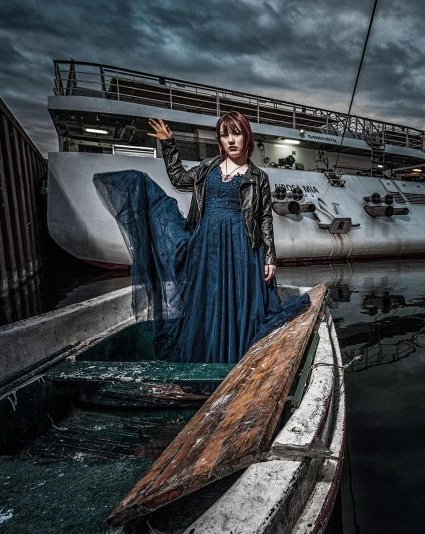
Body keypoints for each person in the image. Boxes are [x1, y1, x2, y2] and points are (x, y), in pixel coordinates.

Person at [93, 111, 309, 363]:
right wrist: (168, 144)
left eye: (236, 133)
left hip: (241, 244)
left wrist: (270, 255)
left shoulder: (259, 177)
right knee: (210, 296)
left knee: (238, 299)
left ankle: (236, 355)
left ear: (246, 136)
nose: (231, 140)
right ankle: (207, 353)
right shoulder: (208, 167)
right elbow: (178, 179)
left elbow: (264, 218)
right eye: (224, 135)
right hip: (208, 242)